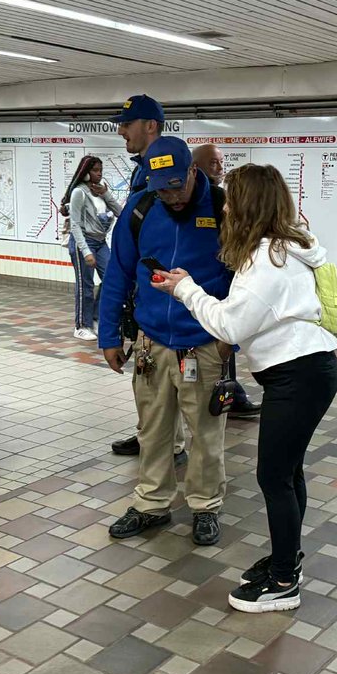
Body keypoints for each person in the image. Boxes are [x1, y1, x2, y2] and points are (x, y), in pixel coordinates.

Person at [152, 163, 337, 613]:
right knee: (287, 473)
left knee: (274, 476)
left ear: (249, 205)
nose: (226, 206)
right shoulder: (285, 246)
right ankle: (285, 562)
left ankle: (282, 583)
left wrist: (186, 290)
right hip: (307, 371)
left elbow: (231, 324)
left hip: (298, 375)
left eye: (232, 199)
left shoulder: (267, 260)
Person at [98, 135, 231, 546]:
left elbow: (241, 278)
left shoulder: (225, 210)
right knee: (152, 430)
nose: (171, 196)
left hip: (205, 343)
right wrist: (108, 336)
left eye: (177, 185)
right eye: (162, 189)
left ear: (192, 170)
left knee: (205, 433)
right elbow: (118, 275)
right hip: (151, 342)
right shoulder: (141, 210)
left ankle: (205, 506)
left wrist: (231, 341)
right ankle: (151, 503)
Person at [105, 96, 186, 466]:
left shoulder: (199, 193)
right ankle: (156, 438)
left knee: (189, 406)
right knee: (154, 396)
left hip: (190, 320)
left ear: (150, 125)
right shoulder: (141, 178)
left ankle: (166, 441)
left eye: (127, 123)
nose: (121, 130)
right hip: (151, 312)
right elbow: (121, 266)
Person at [191, 143, 260, 421]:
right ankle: (227, 397)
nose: (219, 168)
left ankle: (229, 396)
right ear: (195, 167)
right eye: (213, 163)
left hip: (218, 290)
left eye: (221, 162)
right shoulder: (201, 201)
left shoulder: (217, 199)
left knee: (223, 346)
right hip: (202, 291)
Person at [64, 155, 121, 340]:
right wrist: (86, 251)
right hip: (84, 242)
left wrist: (105, 193)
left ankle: (95, 318)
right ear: (86, 172)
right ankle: (81, 325)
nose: (98, 174)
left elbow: (120, 212)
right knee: (85, 285)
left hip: (100, 241)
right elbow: (75, 225)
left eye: (100, 171)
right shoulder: (79, 193)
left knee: (112, 279)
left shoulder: (100, 190)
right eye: (95, 171)